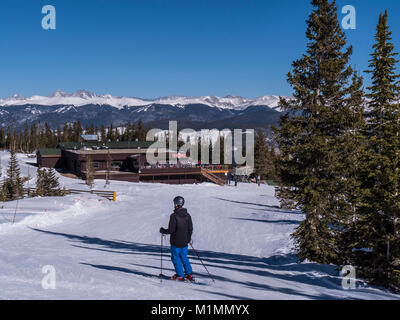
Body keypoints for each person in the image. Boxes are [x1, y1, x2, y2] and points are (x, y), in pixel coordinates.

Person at [160, 196, 194, 282]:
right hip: (184, 242)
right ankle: (189, 274)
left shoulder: (174, 216)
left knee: (175, 258)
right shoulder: (187, 215)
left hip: (175, 242)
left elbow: (171, 230)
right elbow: (190, 228)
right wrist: (188, 238)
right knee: (184, 257)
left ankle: (180, 275)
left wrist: (163, 230)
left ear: (176, 204)